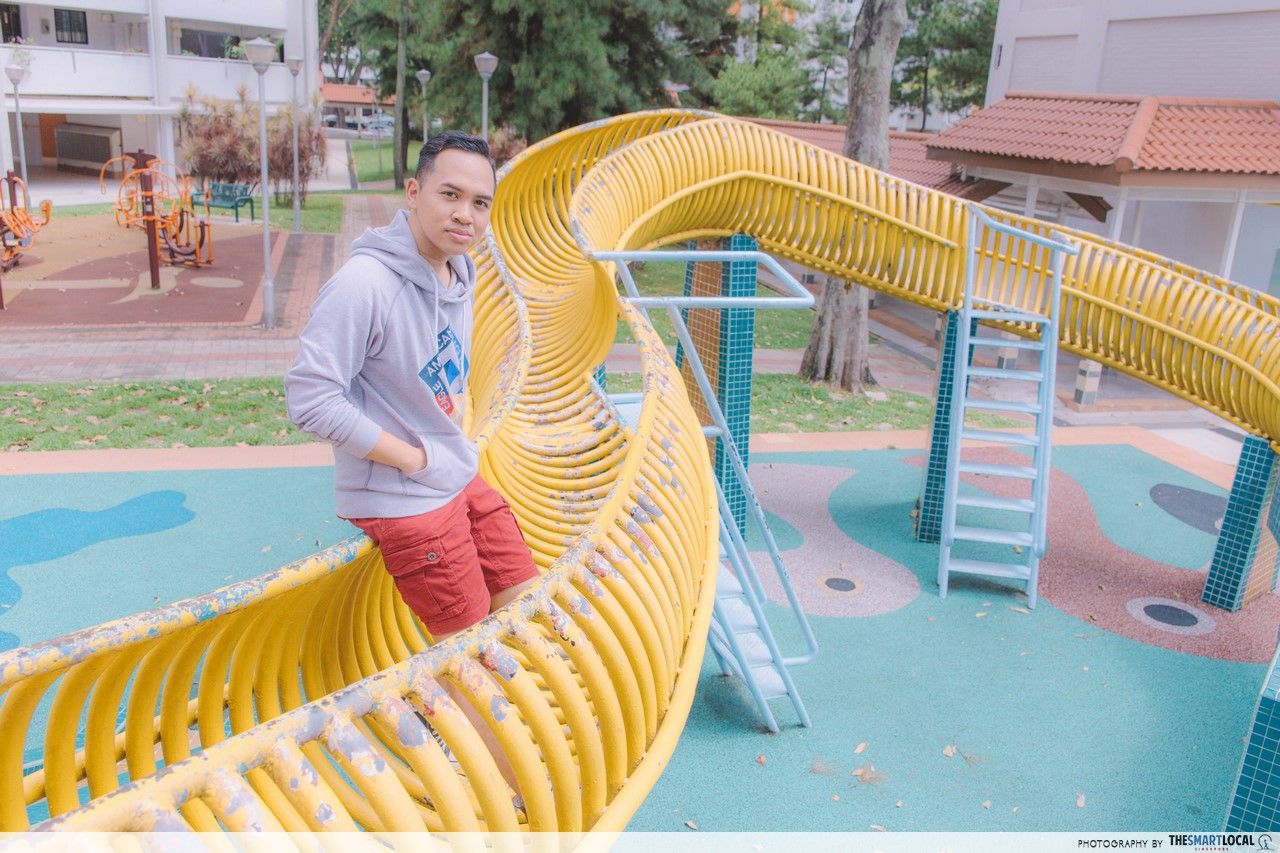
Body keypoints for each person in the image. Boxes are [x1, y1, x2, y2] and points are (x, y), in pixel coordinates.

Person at [285, 132, 538, 785]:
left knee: (524, 603)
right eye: (450, 194)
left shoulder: (457, 272)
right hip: (406, 499)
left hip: (455, 477)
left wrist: (444, 455)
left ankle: (516, 739)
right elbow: (309, 398)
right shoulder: (364, 285)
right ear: (413, 192)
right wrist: (414, 459)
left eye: (479, 202)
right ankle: (509, 794)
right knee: (467, 657)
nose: (465, 215)